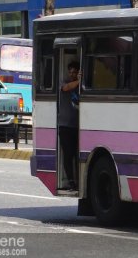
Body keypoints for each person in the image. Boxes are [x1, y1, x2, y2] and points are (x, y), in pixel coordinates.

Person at [59, 61, 81, 191]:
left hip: (77, 126)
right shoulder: (64, 83)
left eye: (75, 72)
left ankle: (77, 181)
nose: (72, 74)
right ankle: (71, 181)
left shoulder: (80, 86)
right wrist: (79, 81)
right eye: (70, 72)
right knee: (68, 155)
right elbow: (66, 88)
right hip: (65, 126)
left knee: (76, 154)